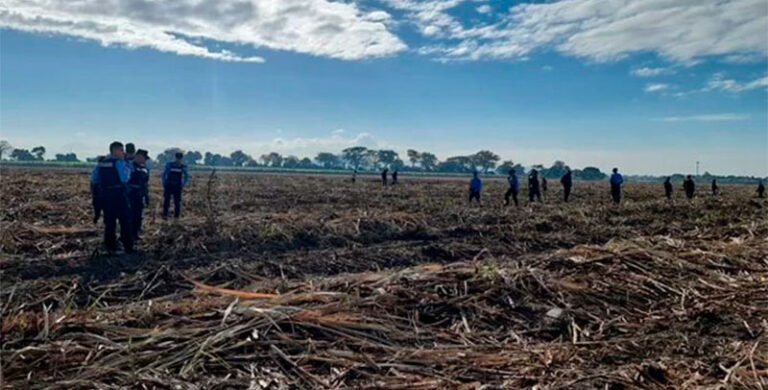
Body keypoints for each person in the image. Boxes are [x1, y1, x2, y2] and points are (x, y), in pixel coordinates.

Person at [91, 142, 134, 254]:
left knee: (109, 222)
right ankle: (128, 247)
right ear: (114, 150)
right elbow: (125, 178)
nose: (123, 152)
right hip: (119, 195)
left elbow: (94, 179)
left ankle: (110, 247)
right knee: (125, 221)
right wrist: (127, 165)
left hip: (106, 196)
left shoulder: (102, 163)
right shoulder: (119, 162)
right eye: (121, 150)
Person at [128, 150, 150, 240]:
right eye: (144, 158)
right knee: (131, 216)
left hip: (140, 195)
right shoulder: (129, 166)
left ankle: (135, 234)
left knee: (138, 216)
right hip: (131, 195)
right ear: (139, 157)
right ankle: (128, 235)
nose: (145, 161)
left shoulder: (144, 168)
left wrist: (146, 195)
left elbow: (145, 183)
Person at [162, 152, 190, 219]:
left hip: (178, 186)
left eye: (180, 158)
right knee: (166, 201)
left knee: (177, 202)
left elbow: (187, 176)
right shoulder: (170, 165)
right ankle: (165, 216)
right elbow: (164, 174)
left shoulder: (183, 167)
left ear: (182, 158)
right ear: (176, 158)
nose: (178, 159)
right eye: (178, 158)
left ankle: (176, 217)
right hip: (169, 185)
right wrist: (164, 183)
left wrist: (183, 184)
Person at [91, 156, 105, 224]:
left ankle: (96, 220)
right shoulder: (104, 168)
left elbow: (93, 180)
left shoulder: (96, 168)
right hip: (104, 189)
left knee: (97, 207)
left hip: (97, 189)